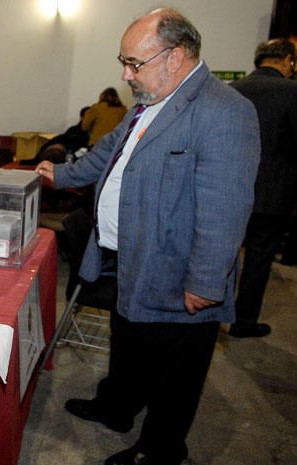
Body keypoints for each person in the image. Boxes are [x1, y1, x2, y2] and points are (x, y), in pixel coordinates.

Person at [36, 8, 259, 465]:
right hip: (131, 256)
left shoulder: (225, 111)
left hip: (180, 271)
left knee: (176, 369)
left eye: (133, 62)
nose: (125, 73)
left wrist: (206, 280)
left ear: (174, 57)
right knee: (130, 342)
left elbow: (226, 207)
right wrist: (59, 174)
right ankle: (116, 407)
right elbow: (103, 158)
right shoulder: (148, 103)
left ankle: (160, 450)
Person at [229, 38, 297, 338]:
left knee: (223, 253)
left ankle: (208, 314)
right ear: (285, 59)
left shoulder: (233, 90)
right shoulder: (292, 92)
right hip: (272, 193)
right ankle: (243, 321)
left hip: (229, 189)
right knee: (258, 259)